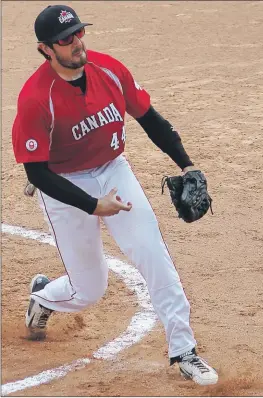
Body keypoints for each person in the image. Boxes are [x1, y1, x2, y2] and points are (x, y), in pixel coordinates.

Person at [11, 4, 218, 386]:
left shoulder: (109, 69)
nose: (76, 43)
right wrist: (92, 205)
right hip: (62, 184)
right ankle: (44, 296)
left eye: (78, 33)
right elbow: (35, 171)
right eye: (65, 39)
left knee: (153, 254)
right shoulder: (36, 98)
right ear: (45, 49)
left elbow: (150, 119)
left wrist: (186, 164)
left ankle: (184, 351)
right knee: (89, 289)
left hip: (112, 170)